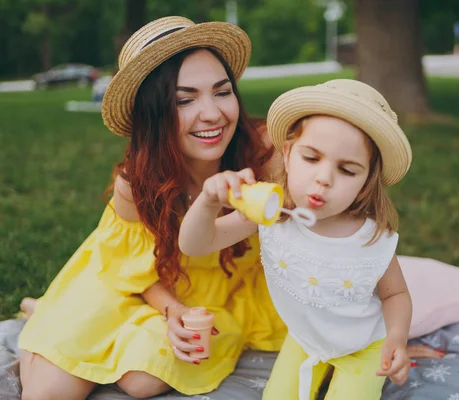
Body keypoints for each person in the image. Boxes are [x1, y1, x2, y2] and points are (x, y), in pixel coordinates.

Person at [18, 16, 287, 399]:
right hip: (131, 284)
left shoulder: (263, 154)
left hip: (216, 294)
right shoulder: (137, 178)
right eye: (185, 100)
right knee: (50, 392)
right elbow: (129, 265)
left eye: (222, 92)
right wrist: (171, 309)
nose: (212, 113)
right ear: (154, 111)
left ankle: (52, 315)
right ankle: (44, 316)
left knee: (143, 382)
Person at [179, 79, 415, 400]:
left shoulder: (370, 238)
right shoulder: (273, 215)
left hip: (364, 345)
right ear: (288, 154)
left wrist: (397, 340)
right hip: (305, 339)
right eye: (312, 158)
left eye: (347, 170)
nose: (324, 179)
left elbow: (396, 294)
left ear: (365, 183)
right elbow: (194, 245)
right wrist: (208, 201)